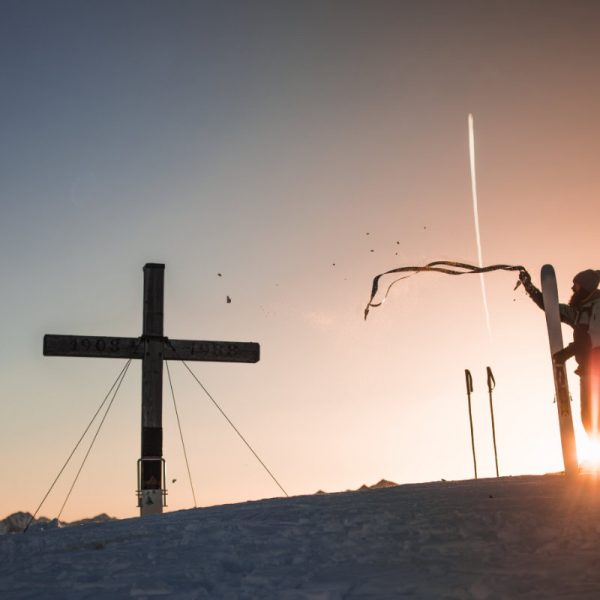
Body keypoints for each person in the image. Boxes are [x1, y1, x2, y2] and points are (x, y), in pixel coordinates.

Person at [519, 269, 600, 437]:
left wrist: (566, 353)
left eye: (576, 286)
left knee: (594, 422)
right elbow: (551, 308)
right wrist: (529, 287)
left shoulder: (597, 307)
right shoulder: (579, 311)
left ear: (585, 288)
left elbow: (591, 339)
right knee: (590, 422)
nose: (572, 289)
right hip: (588, 371)